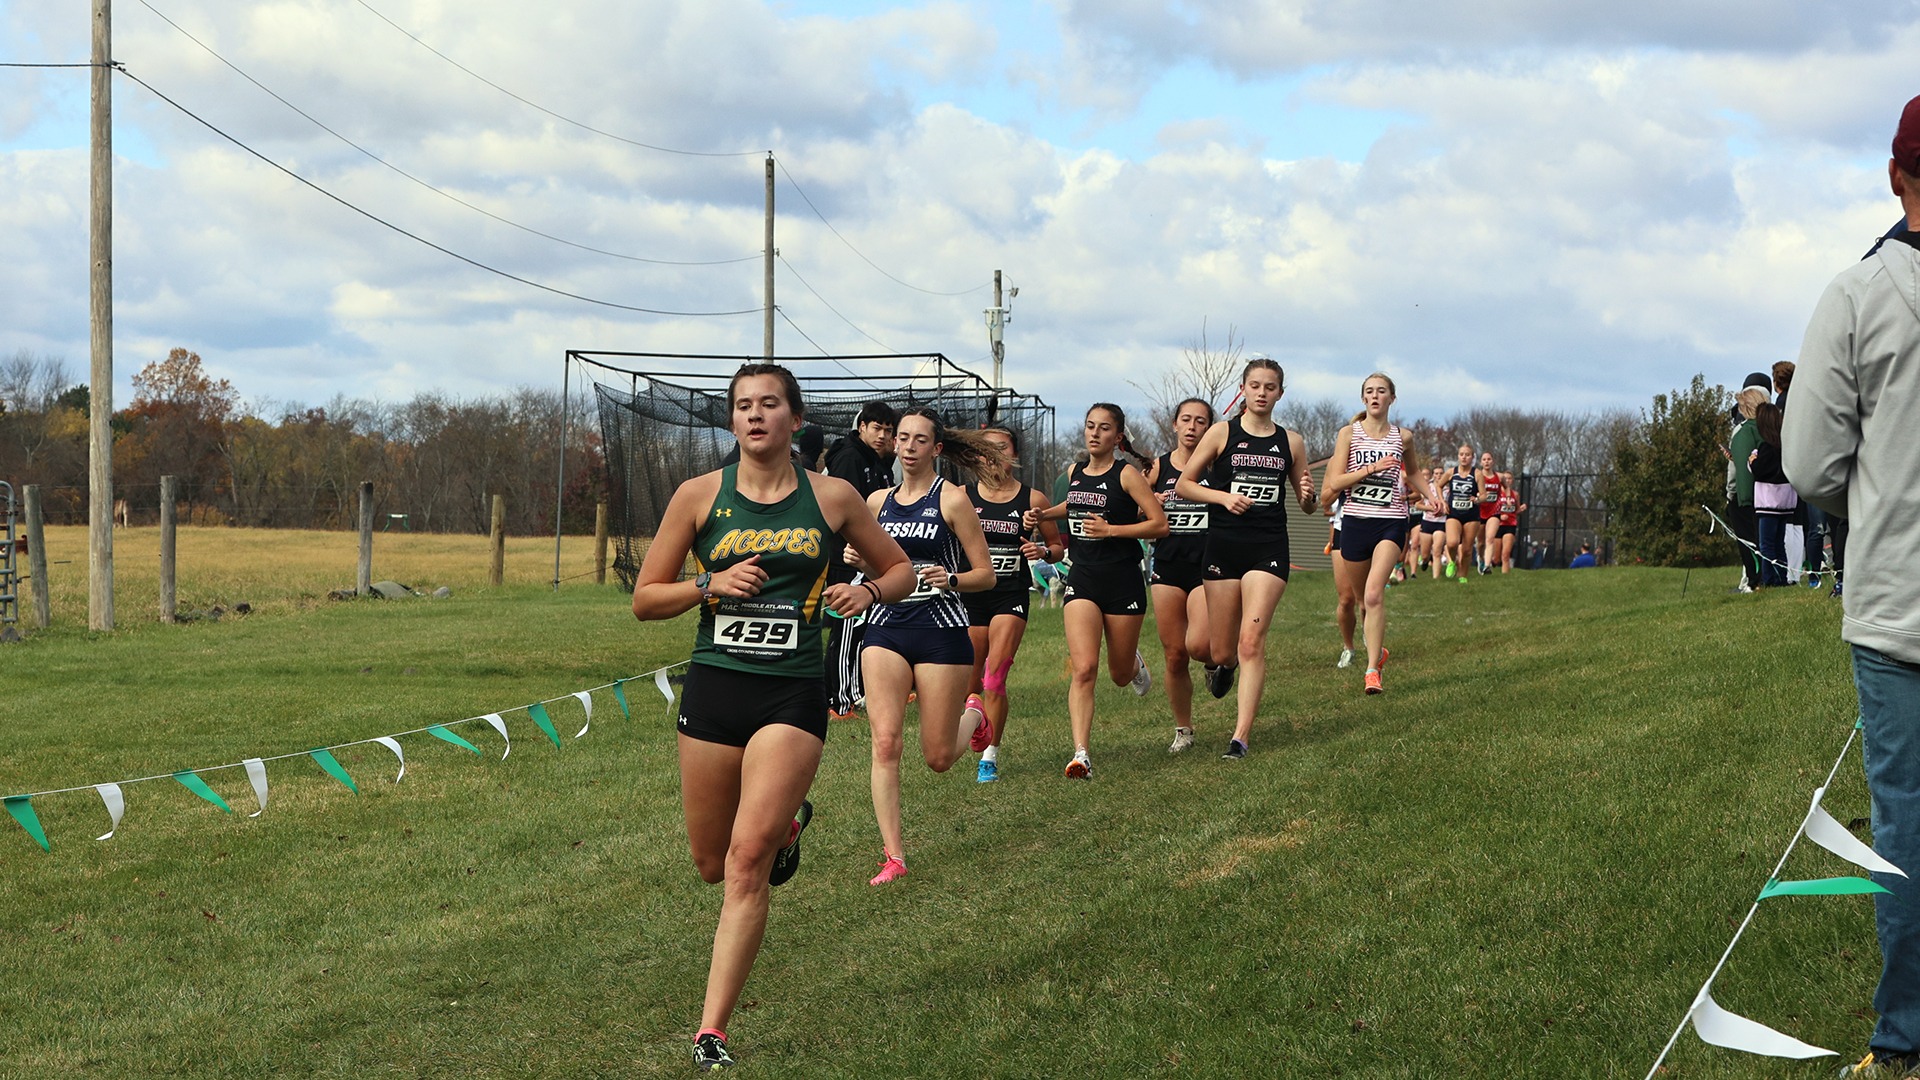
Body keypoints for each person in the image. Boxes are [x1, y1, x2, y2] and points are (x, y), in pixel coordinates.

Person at [630, 363, 916, 1071]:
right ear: (732, 421)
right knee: (710, 862)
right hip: (715, 689)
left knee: (744, 862)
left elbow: (900, 570)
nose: (755, 415)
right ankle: (789, 826)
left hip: (791, 693)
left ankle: (711, 1032)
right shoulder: (699, 495)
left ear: (795, 418)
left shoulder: (834, 496)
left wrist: (868, 591)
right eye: (743, 406)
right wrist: (709, 582)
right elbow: (645, 598)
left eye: (769, 404)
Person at [1782, 92, 1920, 1077]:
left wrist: (1868, 499)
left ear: (1894, 175)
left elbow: (1811, 463)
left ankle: (1906, 1035)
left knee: (1907, 821)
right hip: (1899, 605)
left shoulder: (1860, 293)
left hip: (1898, 602)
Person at [849, 408, 1000, 884]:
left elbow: (986, 575)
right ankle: (894, 856)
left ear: (936, 449)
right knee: (885, 741)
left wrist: (950, 578)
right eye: (903, 437)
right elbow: (876, 568)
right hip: (885, 628)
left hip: (941, 632)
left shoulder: (952, 500)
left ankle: (974, 715)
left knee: (938, 757)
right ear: (894, 444)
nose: (909, 446)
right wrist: (859, 561)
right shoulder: (877, 501)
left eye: (920, 440)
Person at [1177, 358, 1316, 757]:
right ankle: (1225, 666)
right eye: (1255, 385)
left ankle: (1240, 738)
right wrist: (1223, 497)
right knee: (1222, 651)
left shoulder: (1291, 442)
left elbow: (1307, 504)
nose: (1261, 393)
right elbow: (1185, 485)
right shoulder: (1222, 433)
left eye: (1269, 387)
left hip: (1268, 547)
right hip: (1223, 547)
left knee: (1251, 641)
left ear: (1280, 393)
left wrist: (1308, 497)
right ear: (1244, 389)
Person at [1025, 403, 1167, 778]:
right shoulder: (1074, 472)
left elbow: (1159, 525)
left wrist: (1111, 531)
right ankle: (1081, 755)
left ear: (1117, 437)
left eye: (1104, 428)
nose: (1095, 433)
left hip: (1122, 581)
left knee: (1118, 674)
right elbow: (1073, 505)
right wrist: (1043, 515)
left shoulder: (1127, 475)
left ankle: (1133, 663)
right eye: (1090, 426)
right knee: (1084, 669)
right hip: (1083, 578)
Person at [1322, 373, 1435, 695]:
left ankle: (1372, 670)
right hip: (1355, 522)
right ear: (1363, 399)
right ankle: (1376, 649)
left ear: (1391, 399)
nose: (1375, 396)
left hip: (1391, 521)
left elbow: (1413, 472)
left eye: (1381, 391)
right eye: (1369, 391)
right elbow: (1335, 483)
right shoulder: (1348, 434)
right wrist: (1371, 468)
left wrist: (1432, 496)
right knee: (1361, 601)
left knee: (1374, 595)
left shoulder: (1403, 437)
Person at [963, 426, 1063, 782]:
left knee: (994, 677)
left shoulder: (1033, 499)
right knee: (969, 682)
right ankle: (977, 723)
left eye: (1002, 448)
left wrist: (1042, 552)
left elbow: (1057, 547)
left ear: (1015, 455)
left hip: (1010, 596)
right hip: (970, 597)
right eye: (986, 449)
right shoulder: (961, 497)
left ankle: (989, 757)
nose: (993, 456)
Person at [1147, 397, 1223, 754]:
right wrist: (1151, 503)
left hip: (1206, 566)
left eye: (1201, 421)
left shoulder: (1218, 467)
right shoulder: (1157, 467)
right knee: (1175, 655)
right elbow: (1136, 510)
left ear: (1209, 427)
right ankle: (1184, 729)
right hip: (1167, 565)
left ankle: (1214, 661)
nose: (1192, 427)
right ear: (1174, 424)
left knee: (1199, 645)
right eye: (1186, 420)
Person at [821, 401, 899, 720]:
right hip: (846, 558)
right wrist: (854, 549)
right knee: (846, 628)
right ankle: (837, 702)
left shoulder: (878, 461)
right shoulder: (850, 458)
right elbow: (841, 511)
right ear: (862, 427)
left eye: (888, 431)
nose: (882, 436)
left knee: (863, 627)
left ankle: (858, 690)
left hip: (868, 558)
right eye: (876, 428)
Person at [1726, 386, 1767, 591]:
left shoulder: (1743, 433)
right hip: (1773, 494)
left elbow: (1735, 471)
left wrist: (1730, 493)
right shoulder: (1770, 429)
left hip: (1747, 496)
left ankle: (1755, 580)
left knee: (1748, 542)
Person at [1438, 444, 1482, 582]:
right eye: (1461, 454)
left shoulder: (1477, 474)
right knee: (1452, 543)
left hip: (1471, 515)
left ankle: (1462, 576)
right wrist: (1443, 502)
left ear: (1472, 457)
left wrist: (1477, 499)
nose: (1464, 457)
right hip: (1454, 513)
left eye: (1467, 455)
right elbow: (1439, 486)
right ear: (1458, 456)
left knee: (1467, 550)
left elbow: (1484, 495)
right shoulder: (1451, 472)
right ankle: (1452, 562)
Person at [1493, 472, 1527, 572]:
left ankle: (1506, 577)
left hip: (1510, 525)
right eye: (1505, 478)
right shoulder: (1496, 494)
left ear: (1512, 481)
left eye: (1509, 478)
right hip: (1498, 525)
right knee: (1496, 558)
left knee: (1506, 555)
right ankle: (1491, 567)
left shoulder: (1515, 494)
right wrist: (1500, 516)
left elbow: (1516, 511)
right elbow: (1489, 510)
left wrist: (1521, 509)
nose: (1507, 480)